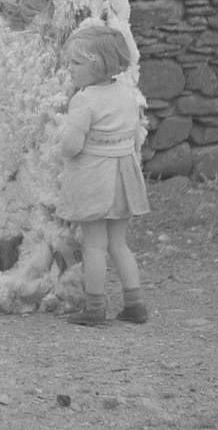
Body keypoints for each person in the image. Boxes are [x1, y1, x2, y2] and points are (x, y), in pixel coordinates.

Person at [56, 25, 150, 326]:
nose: (70, 69)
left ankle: (95, 307)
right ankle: (135, 304)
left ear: (97, 65)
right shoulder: (126, 94)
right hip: (124, 176)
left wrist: (61, 143)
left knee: (94, 244)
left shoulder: (85, 100)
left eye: (76, 63)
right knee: (118, 244)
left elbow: (71, 146)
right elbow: (135, 135)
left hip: (96, 177)